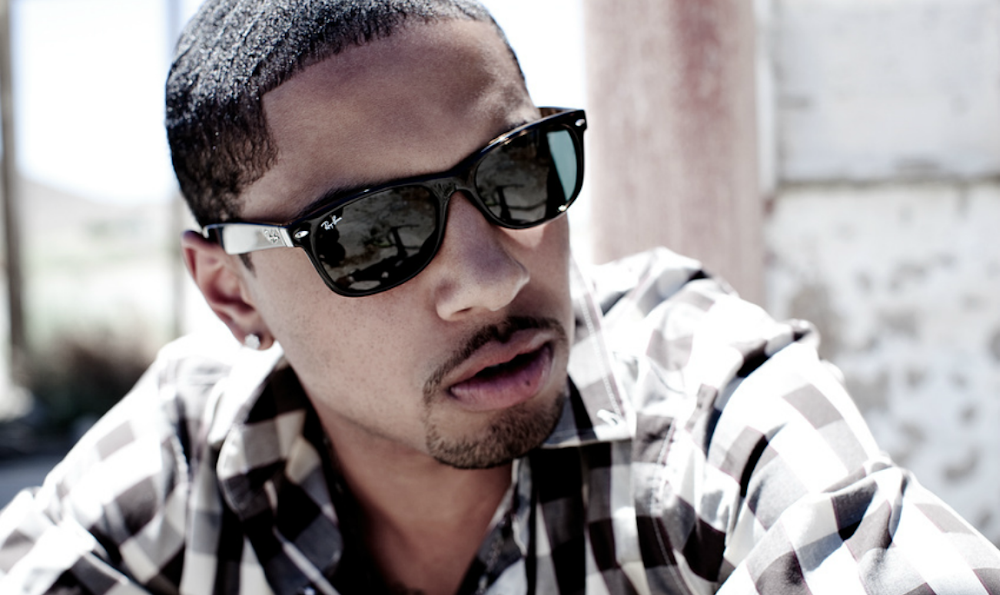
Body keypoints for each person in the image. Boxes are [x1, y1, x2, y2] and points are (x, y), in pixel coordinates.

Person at [2, 0, 999, 593]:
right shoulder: (183, 466)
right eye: (375, 233)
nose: (494, 278)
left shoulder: (700, 395)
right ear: (234, 294)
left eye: (517, 171)